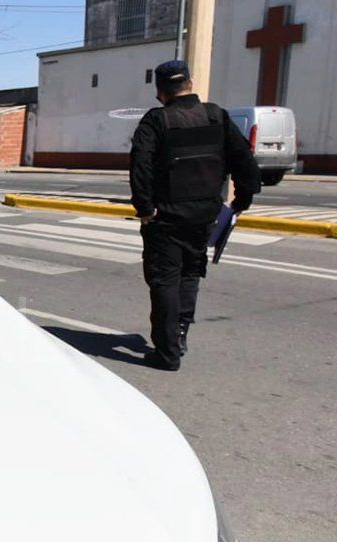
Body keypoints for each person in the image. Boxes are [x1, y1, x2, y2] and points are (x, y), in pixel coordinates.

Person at [129, 60, 261, 371]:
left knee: (164, 281)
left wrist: (145, 209)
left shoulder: (156, 120)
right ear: (190, 83)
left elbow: (140, 166)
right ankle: (180, 333)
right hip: (205, 215)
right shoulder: (216, 115)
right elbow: (246, 162)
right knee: (190, 274)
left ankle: (167, 352)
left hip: (166, 219)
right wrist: (242, 201)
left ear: (160, 92)